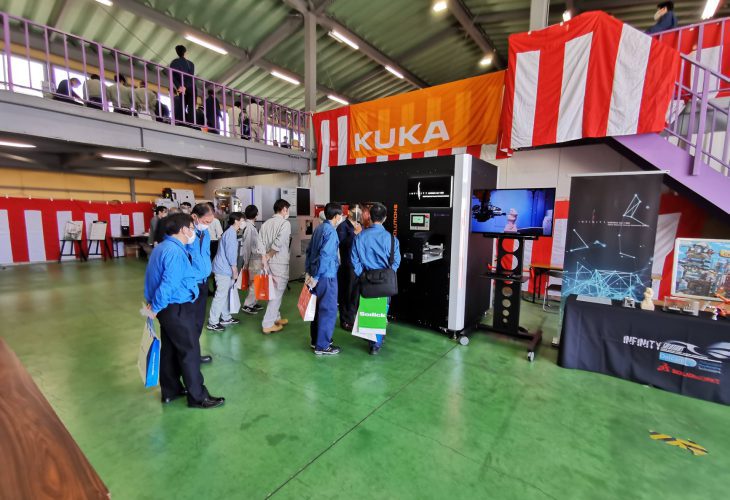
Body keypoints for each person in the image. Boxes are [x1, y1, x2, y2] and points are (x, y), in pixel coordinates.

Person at [143, 213, 224, 409]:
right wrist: (155, 307)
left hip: (167, 309)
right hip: (176, 307)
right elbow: (168, 284)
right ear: (183, 230)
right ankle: (198, 397)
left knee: (170, 350)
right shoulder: (174, 252)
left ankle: (171, 391)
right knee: (190, 351)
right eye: (191, 227)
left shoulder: (162, 247)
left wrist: (155, 305)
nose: (193, 231)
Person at [351, 202, 401, 355]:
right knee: (381, 310)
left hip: (366, 279)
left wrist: (362, 274)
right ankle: (375, 344)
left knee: (368, 308)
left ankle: (372, 338)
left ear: (370, 218)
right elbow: (396, 262)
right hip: (385, 281)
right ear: (385, 218)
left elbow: (354, 260)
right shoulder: (392, 239)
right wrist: (386, 275)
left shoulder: (360, 237)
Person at [305, 203, 344, 355]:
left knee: (317, 309)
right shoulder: (331, 232)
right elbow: (326, 257)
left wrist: (309, 273)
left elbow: (309, 251)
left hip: (315, 274)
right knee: (328, 310)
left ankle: (315, 340)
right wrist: (316, 276)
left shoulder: (319, 228)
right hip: (326, 276)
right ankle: (323, 346)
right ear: (336, 216)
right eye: (341, 215)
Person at [207, 212, 244, 332]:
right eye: (242, 220)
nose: (243, 223)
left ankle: (226, 317)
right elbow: (230, 253)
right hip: (223, 269)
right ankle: (213, 322)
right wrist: (234, 269)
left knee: (224, 294)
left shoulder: (230, 232)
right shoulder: (231, 233)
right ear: (236, 221)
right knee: (221, 295)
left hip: (223, 268)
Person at [189, 203, 216, 363]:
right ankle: (189, 358)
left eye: (210, 222)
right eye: (206, 221)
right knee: (189, 323)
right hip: (191, 285)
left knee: (198, 322)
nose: (208, 225)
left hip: (204, 282)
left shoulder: (204, 233)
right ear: (195, 217)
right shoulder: (186, 234)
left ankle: (194, 355)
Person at [259, 199, 291, 334]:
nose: (288, 212)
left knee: (272, 290)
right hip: (279, 262)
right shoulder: (285, 223)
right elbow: (279, 242)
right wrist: (269, 255)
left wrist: (264, 258)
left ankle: (276, 317)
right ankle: (268, 324)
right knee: (277, 293)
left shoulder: (265, 223)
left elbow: (259, 242)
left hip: (268, 263)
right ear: (284, 209)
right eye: (287, 210)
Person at [337, 204, 363, 331]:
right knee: (346, 294)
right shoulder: (343, 226)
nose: (357, 214)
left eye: (359, 212)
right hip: (347, 266)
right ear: (349, 212)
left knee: (355, 294)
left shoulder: (359, 225)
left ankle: (353, 318)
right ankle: (345, 321)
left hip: (357, 266)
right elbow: (342, 244)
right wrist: (354, 233)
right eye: (355, 211)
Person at [239, 204, 265, 315]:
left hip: (255, 258)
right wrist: (246, 262)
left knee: (257, 282)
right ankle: (248, 305)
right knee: (254, 282)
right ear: (256, 214)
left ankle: (254, 302)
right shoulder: (249, 228)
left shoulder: (250, 226)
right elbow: (247, 247)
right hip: (253, 259)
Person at [170, 44, 195, 124]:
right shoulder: (191, 64)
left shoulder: (174, 63)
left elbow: (172, 76)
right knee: (191, 107)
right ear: (185, 52)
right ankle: (191, 123)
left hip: (182, 87)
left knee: (182, 105)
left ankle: (182, 121)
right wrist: (185, 86)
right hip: (191, 87)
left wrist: (179, 86)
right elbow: (190, 77)